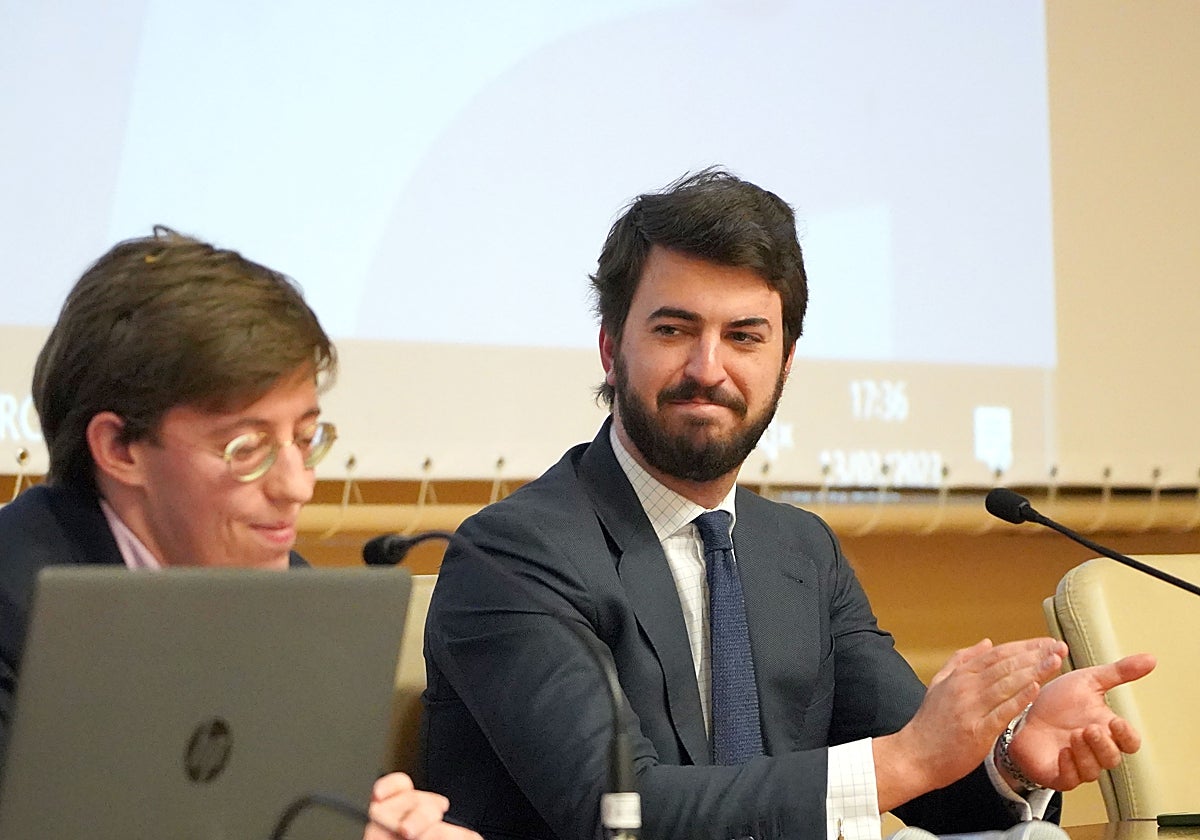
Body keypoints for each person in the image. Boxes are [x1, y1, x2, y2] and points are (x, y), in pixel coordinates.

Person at [422, 169, 1156, 840]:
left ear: (784, 363)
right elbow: (616, 812)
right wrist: (901, 761)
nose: (708, 369)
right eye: (674, 330)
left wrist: (1010, 759)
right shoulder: (515, 554)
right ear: (612, 348)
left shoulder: (800, 552)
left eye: (744, 337)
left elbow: (932, 778)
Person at [0, 227, 478, 840]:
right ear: (120, 448)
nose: (297, 486)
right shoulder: (15, 611)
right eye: (246, 448)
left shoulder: (293, 593)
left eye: (306, 439)